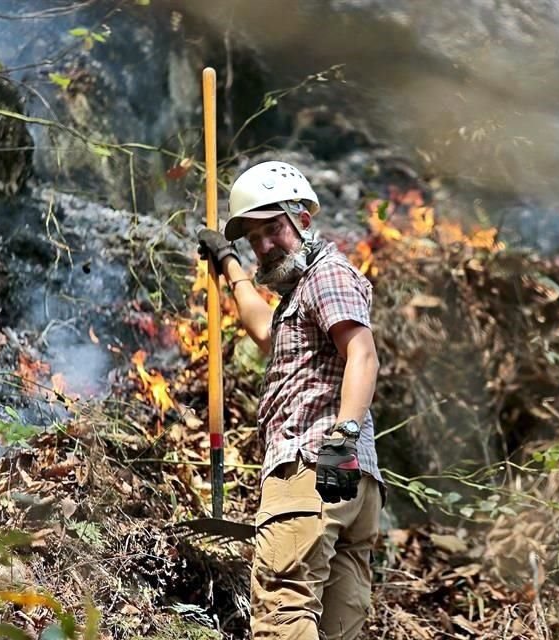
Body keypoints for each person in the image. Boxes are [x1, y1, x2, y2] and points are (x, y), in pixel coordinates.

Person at [197, 160, 384, 640]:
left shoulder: (327, 274)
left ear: (302, 217)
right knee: (336, 627)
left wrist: (340, 441)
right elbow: (265, 331)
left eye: (273, 227)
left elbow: (363, 355)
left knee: (283, 610)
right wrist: (228, 263)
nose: (264, 244)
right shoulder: (300, 294)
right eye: (253, 237)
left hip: (315, 466)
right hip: (349, 487)